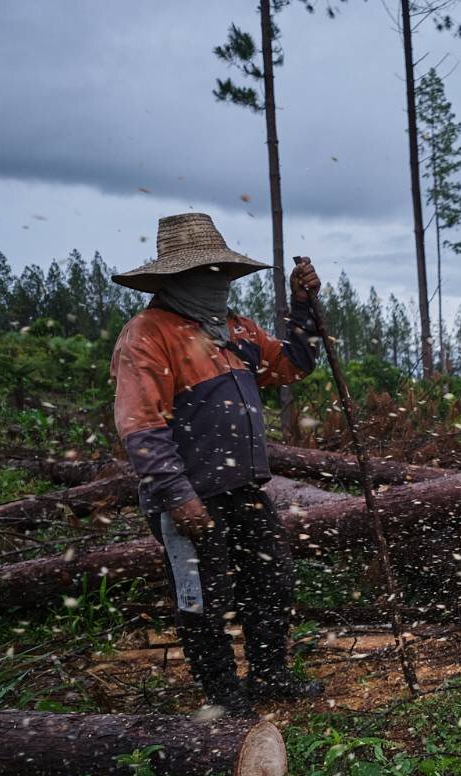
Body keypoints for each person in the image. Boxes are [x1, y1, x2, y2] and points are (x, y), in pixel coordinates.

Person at [111, 213, 326, 717]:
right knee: (203, 596)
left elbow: (295, 361)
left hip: (242, 487)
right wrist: (177, 495)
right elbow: (141, 426)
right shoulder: (148, 334)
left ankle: (269, 673)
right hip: (189, 493)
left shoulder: (234, 330)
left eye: (221, 273)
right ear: (176, 278)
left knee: (269, 579)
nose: (218, 283)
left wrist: (303, 306)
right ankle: (223, 695)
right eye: (207, 273)